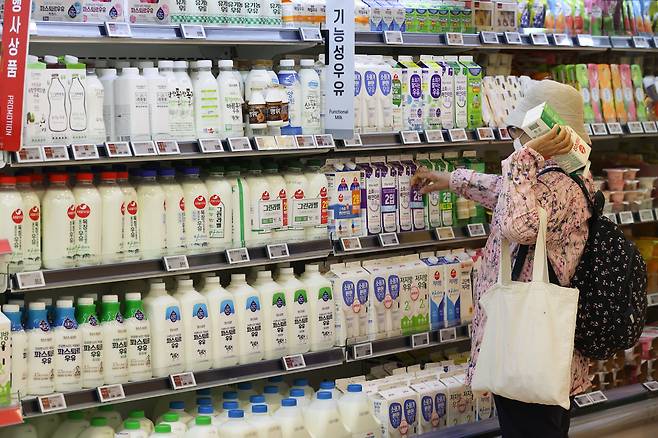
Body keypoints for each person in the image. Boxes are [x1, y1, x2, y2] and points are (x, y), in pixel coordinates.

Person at [412, 80, 592, 437]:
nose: (515, 136)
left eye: (522, 131)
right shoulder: (550, 178)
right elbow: (507, 194)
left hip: (530, 346)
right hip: (531, 342)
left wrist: (524, 159)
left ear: (546, 134)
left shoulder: (559, 184)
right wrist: (451, 179)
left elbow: (519, 226)